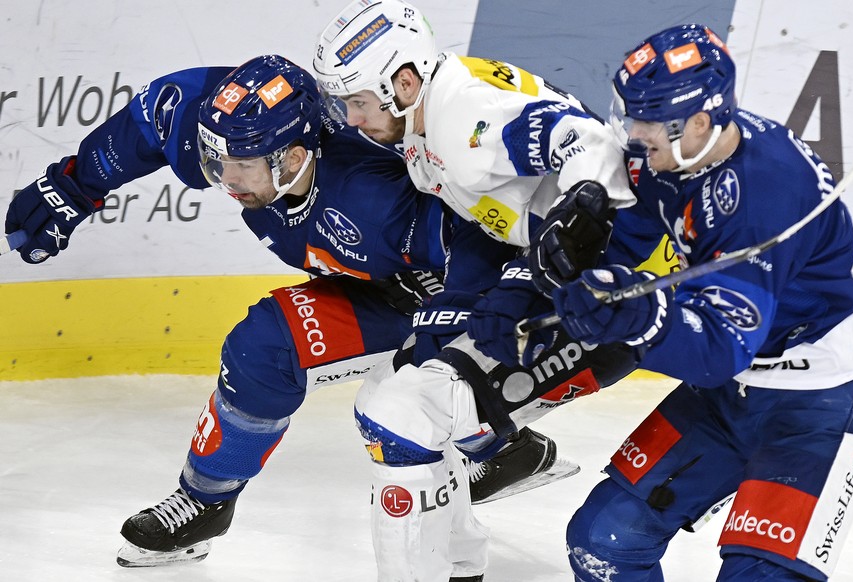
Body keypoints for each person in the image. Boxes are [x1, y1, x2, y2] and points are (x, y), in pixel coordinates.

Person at [3, 55, 573, 573]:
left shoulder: (372, 196)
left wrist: (448, 316)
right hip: (380, 285)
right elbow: (152, 122)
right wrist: (72, 188)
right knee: (261, 348)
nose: (227, 179)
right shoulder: (224, 118)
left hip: (452, 293)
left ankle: (494, 442)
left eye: (243, 165)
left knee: (398, 388)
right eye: (217, 160)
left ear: (295, 156)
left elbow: (482, 245)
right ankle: (206, 503)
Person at [312, 1, 648, 579]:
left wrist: (556, 244)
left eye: (359, 101)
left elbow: (585, 141)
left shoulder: (464, 119)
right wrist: (462, 300)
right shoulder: (427, 121)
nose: (350, 119)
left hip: (615, 290)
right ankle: (458, 561)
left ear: (404, 81)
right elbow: (490, 219)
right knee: (388, 387)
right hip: (559, 278)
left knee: (404, 415)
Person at [532, 24, 853, 581]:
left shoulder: (766, 198)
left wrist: (637, 315)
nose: (634, 136)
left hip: (822, 401)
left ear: (697, 123)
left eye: (647, 122)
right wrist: (582, 258)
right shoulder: (680, 155)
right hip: (735, 391)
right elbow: (636, 233)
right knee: (605, 540)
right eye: (630, 115)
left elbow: (719, 349)